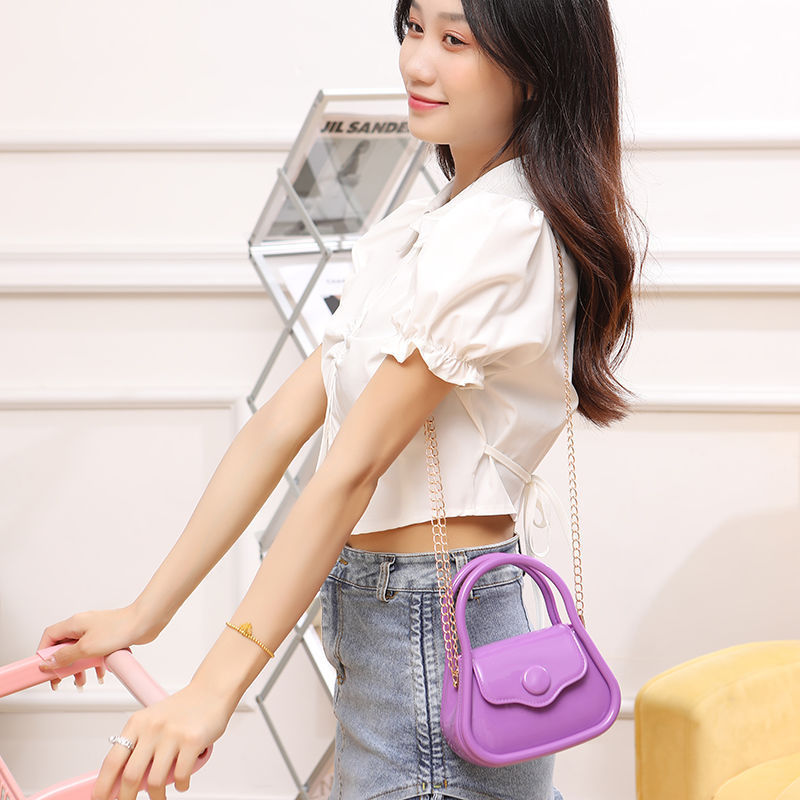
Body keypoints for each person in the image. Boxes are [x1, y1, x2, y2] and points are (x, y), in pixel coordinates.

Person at [37, 0, 643, 798]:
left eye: (455, 39)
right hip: (397, 623)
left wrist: (215, 689)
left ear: (534, 69)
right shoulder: (426, 224)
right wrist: (144, 614)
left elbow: (353, 468)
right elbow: (278, 426)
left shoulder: (502, 234)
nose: (417, 62)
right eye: (413, 28)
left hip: (432, 629)